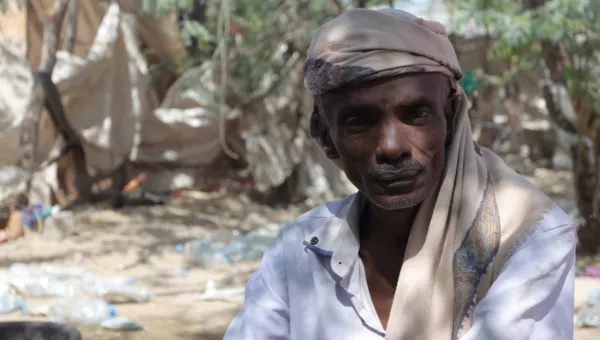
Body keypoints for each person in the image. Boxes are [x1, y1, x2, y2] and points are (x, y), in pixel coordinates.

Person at [224, 8, 575, 340]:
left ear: (451, 119)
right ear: (327, 138)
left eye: (416, 114)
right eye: (358, 121)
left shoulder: (526, 235)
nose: (391, 146)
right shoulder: (299, 251)